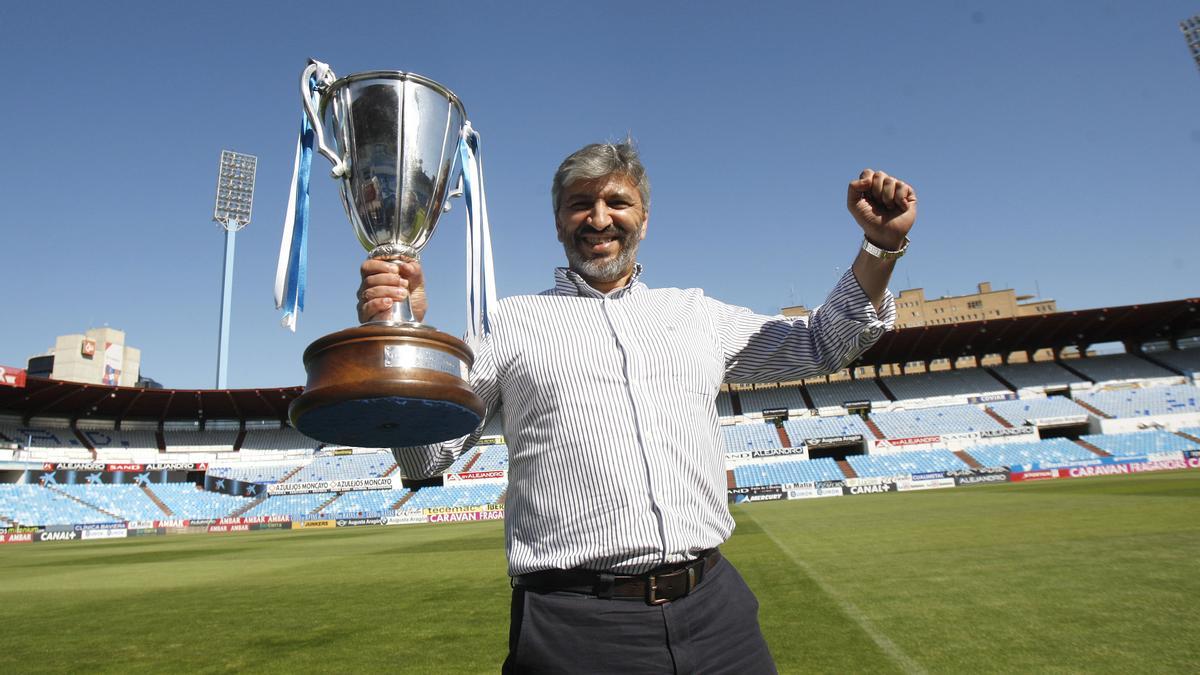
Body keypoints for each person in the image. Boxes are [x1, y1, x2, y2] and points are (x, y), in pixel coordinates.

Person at [357, 141, 916, 673]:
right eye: (580, 204)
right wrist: (403, 337)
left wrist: (881, 247)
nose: (599, 218)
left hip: (716, 611)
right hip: (575, 626)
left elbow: (823, 342)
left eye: (617, 202)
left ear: (643, 220)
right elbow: (426, 459)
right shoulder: (503, 324)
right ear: (558, 223)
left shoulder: (696, 314)